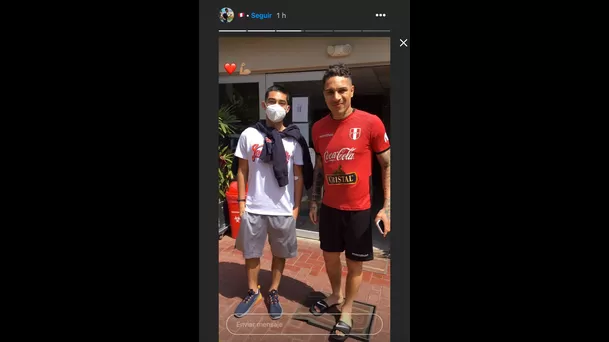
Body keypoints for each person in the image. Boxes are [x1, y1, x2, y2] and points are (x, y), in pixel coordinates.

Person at [308, 63, 391, 341]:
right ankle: (335, 294)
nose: (337, 97)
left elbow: (387, 164)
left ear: (352, 91)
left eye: (342, 90)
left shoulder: (371, 123)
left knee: (355, 264)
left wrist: (387, 206)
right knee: (330, 258)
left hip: (359, 210)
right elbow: (320, 167)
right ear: (324, 95)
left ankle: (347, 309)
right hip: (330, 209)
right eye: (330, 92)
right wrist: (315, 200)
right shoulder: (318, 128)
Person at [233, 85, 314, 320]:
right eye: (271, 101)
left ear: (287, 108)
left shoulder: (294, 139)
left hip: (282, 209)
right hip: (254, 207)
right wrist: (241, 202)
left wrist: (296, 208)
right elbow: (242, 169)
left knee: (279, 254)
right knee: (251, 253)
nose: (275, 106)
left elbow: (298, 176)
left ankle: (274, 291)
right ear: (264, 104)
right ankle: (252, 291)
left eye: (280, 102)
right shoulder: (250, 134)